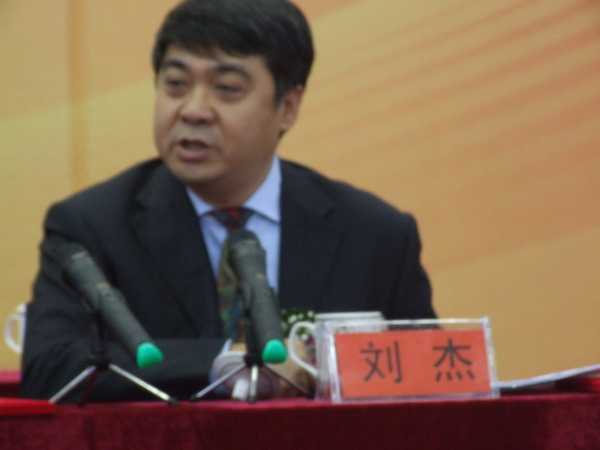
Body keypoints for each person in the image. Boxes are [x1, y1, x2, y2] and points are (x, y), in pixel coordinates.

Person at [21, 0, 436, 401]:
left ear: (288, 107)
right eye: (176, 84)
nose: (193, 110)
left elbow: (428, 375)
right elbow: (51, 367)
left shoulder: (374, 234)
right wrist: (228, 362)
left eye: (227, 89)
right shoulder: (92, 226)